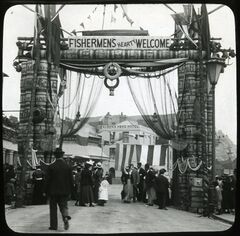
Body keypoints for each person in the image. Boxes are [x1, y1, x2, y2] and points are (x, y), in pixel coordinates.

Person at [44, 148, 74, 231]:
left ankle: (54, 226)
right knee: (64, 206)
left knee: (53, 209)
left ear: (55, 156)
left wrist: (45, 191)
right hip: (64, 191)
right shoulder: (68, 167)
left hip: (53, 192)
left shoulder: (51, 167)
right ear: (62, 155)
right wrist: (71, 191)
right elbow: (71, 180)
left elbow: (47, 180)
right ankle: (65, 217)